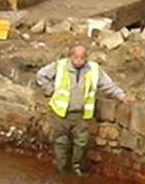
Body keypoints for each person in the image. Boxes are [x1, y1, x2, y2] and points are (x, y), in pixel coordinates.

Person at [35, 43, 129, 175]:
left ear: (86, 58)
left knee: (81, 142)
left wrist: (122, 96)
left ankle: (76, 168)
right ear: (71, 56)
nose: (79, 61)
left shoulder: (94, 69)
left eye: (82, 57)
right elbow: (41, 75)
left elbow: (108, 85)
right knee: (61, 142)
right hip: (60, 113)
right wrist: (50, 90)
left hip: (81, 115)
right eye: (76, 57)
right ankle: (62, 169)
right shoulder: (60, 66)